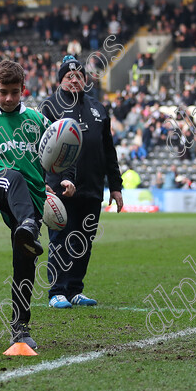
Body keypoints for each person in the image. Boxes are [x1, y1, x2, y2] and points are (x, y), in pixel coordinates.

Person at [0, 60, 75, 349]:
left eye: (14, 92)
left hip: (31, 201)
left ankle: (20, 327)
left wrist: (66, 179)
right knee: (12, 176)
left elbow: (63, 151)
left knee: (24, 266)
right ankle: (28, 227)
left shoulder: (38, 120)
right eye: (3, 92)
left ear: (24, 90)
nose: (8, 98)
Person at [39, 56, 123, 309]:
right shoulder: (49, 107)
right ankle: (57, 291)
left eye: (79, 75)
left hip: (93, 188)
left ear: (85, 80)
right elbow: (43, 149)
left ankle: (75, 288)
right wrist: (57, 180)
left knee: (84, 241)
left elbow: (108, 150)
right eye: (69, 76)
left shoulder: (98, 108)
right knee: (60, 239)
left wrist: (116, 186)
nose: (75, 79)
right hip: (60, 188)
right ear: (61, 80)